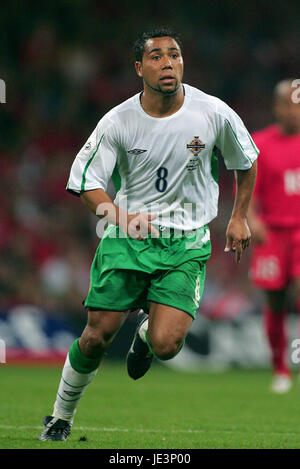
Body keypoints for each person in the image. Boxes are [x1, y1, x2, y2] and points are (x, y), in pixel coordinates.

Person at [39, 28, 258, 441]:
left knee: (166, 345)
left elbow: (246, 160)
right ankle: (61, 417)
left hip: (187, 241)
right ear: (139, 68)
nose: (168, 63)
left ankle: (145, 334)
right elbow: (86, 182)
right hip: (128, 237)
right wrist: (120, 218)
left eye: (174, 55)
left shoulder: (213, 112)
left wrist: (239, 216)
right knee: (96, 335)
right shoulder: (118, 121)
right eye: (156, 57)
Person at [248, 79, 300, 394]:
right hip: (273, 233)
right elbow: (249, 193)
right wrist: (251, 220)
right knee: (275, 302)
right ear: (277, 106)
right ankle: (280, 368)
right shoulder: (260, 143)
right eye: (290, 104)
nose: (295, 111)